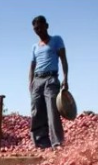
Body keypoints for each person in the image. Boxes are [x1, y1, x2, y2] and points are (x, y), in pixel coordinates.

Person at [29, 15, 68, 149]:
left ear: (46, 26)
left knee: (52, 111)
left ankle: (57, 142)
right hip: (37, 79)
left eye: (40, 27)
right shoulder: (34, 47)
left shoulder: (56, 40)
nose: (38, 30)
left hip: (51, 78)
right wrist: (30, 82)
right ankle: (41, 142)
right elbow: (32, 66)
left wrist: (66, 78)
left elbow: (63, 59)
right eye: (35, 29)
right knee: (36, 111)